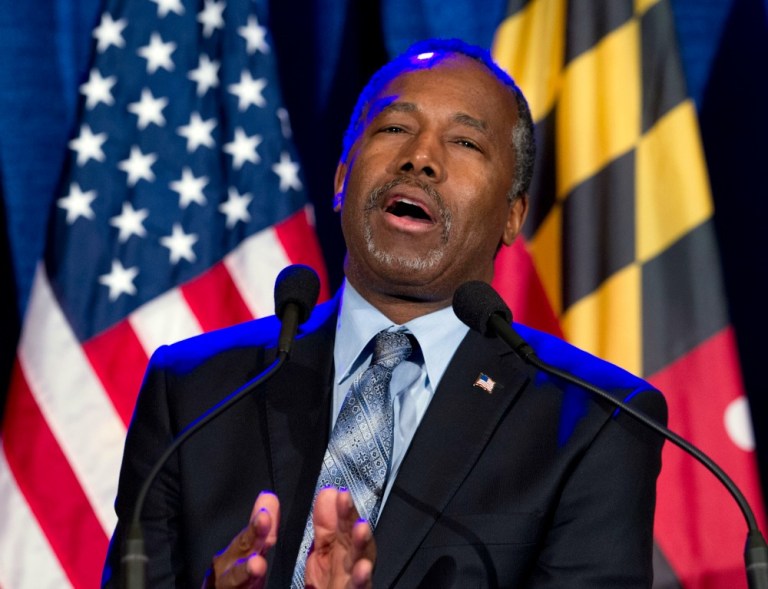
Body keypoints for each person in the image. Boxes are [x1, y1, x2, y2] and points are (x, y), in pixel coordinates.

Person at [102, 38, 666, 588]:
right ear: (342, 178)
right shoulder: (195, 393)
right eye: (395, 128)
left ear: (513, 216)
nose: (420, 158)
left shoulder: (596, 422)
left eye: (466, 143)